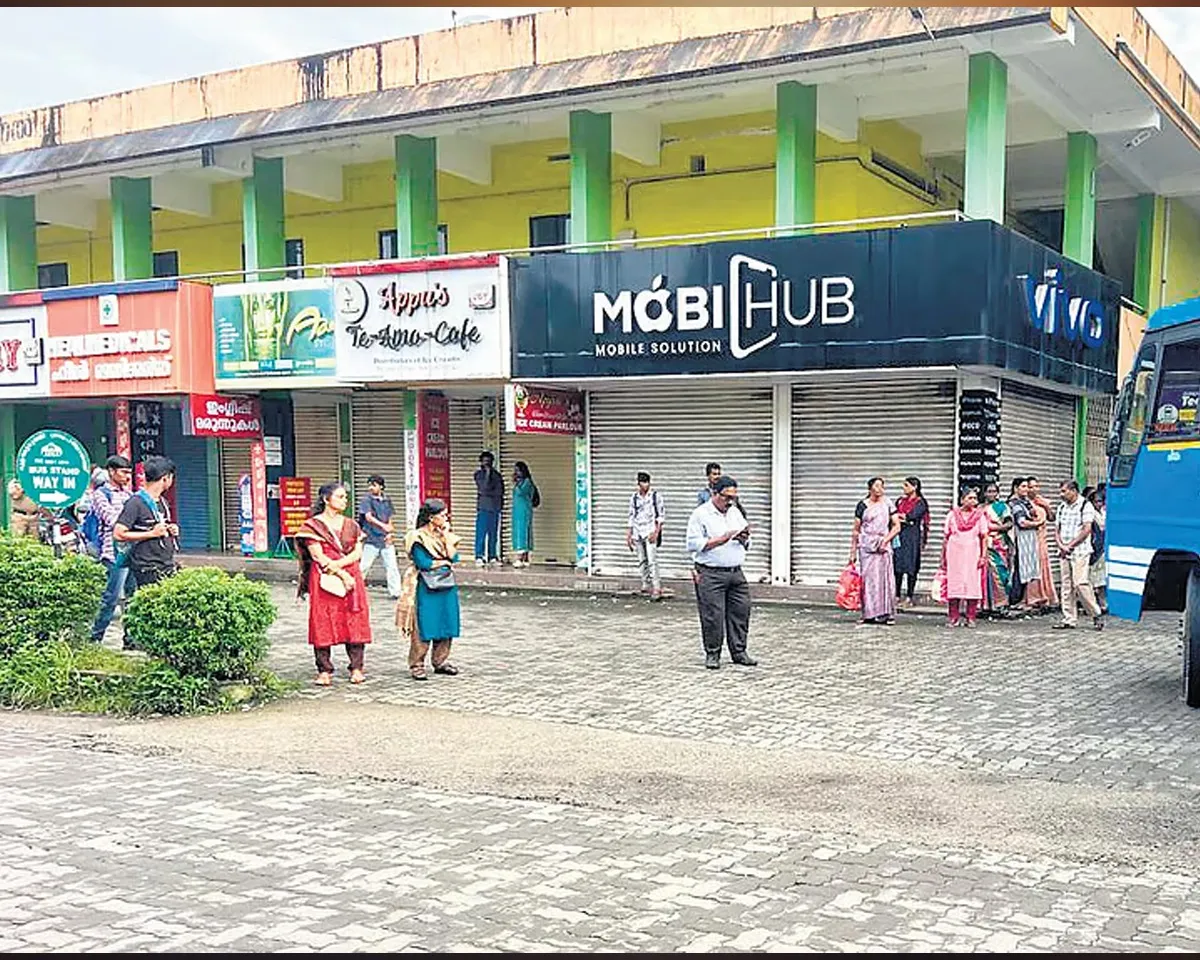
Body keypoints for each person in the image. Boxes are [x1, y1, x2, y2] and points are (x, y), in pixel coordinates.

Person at [295, 482, 373, 686]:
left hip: (350, 573)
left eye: (345, 497)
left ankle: (356, 667)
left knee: (354, 619)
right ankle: (324, 670)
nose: (344, 500)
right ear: (325, 499)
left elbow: (357, 552)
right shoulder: (312, 526)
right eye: (340, 497)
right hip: (324, 578)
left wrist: (342, 568)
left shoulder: (352, 524)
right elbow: (317, 555)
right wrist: (339, 573)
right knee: (323, 620)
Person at [686, 475, 756, 669]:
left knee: (741, 611)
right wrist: (721, 539)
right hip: (710, 573)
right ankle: (713, 653)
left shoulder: (735, 513)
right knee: (712, 615)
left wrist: (743, 538)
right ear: (714, 494)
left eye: (733, 497)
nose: (729, 501)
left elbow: (747, 541)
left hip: (735, 571)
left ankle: (739, 652)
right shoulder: (700, 514)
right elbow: (693, 545)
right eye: (726, 497)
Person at [396, 498, 462, 681]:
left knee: (446, 623)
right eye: (442, 515)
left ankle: (440, 661)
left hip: (446, 585)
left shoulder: (445, 535)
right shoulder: (417, 537)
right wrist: (444, 562)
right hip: (426, 585)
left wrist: (446, 536)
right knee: (424, 625)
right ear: (432, 517)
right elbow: (424, 563)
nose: (446, 517)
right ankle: (417, 664)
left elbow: (454, 558)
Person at [89, 455, 135, 644]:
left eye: (129, 473)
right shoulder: (101, 494)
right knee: (112, 597)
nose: (127, 477)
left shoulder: (129, 495)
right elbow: (113, 521)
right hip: (113, 552)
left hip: (132, 551)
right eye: (123, 472)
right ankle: (96, 637)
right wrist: (130, 521)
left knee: (133, 597)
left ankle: (131, 639)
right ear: (111, 472)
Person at [849, 477, 903, 626]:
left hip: (883, 546)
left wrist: (886, 540)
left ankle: (887, 614)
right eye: (877, 486)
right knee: (868, 581)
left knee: (886, 580)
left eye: (882, 486)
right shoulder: (862, 505)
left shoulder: (888, 504)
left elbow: (897, 526)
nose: (880, 489)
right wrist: (852, 552)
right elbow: (856, 530)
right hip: (867, 546)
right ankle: (868, 614)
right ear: (870, 488)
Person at [1054, 479, 1104, 631]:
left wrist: (1070, 545)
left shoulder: (1085, 505)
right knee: (1066, 585)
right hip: (1064, 552)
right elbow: (1057, 529)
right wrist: (1061, 545)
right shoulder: (1062, 507)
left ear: (1074, 490)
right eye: (1061, 491)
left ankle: (1095, 613)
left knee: (1080, 583)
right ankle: (1069, 618)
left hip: (1080, 551)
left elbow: (1086, 529)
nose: (1061, 494)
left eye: (1064, 491)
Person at [941, 485, 990, 628]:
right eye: (970, 498)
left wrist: (983, 556)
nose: (973, 501)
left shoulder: (980, 516)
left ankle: (971, 617)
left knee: (972, 585)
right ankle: (953, 617)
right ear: (962, 500)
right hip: (954, 553)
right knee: (954, 584)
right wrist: (943, 558)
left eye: (975, 498)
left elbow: (984, 537)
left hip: (972, 554)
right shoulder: (952, 515)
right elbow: (946, 537)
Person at [357, 474, 402, 600]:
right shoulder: (367, 500)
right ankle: (355, 590)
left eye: (374, 485)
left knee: (392, 566)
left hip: (385, 539)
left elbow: (390, 519)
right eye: (370, 485)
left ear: (381, 487)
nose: (371, 488)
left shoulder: (387, 501)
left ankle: (395, 592)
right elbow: (368, 517)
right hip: (371, 538)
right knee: (364, 566)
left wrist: (389, 533)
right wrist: (383, 526)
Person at [626, 471, 665, 600]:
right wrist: (629, 534)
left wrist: (656, 532)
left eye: (647, 482)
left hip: (650, 531)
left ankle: (656, 587)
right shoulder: (634, 498)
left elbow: (660, 516)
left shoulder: (655, 497)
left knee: (652, 560)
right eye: (643, 482)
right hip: (638, 531)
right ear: (638, 483)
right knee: (642, 560)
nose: (645, 485)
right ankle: (645, 584)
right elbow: (631, 516)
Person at [893, 476, 929, 608]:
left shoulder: (920, 502)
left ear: (915, 487)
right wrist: (902, 518)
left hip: (912, 538)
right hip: (899, 535)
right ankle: (896, 595)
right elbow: (894, 515)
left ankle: (909, 596)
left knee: (911, 567)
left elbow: (912, 516)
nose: (904, 488)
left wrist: (903, 517)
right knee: (897, 566)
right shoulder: (900, 501)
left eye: (906, 485)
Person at [980, 481, 1014, 618]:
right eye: (989, 491)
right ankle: (986, 605)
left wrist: (993, 528)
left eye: (994, 491)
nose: (992, 494)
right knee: (984, 575)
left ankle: (1002, 605)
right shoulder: (979, 508)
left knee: (1000, 573)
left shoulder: (1002, 507)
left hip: (998, 545)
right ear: (984, 493)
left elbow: (1009, 524)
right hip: (983, 545)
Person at [1025, 476, 1059, 613]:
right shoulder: (1024, 503)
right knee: (1032, 567)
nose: (1033, 489)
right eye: (1030, 487)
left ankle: (1045, 595)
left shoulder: (1042, 501)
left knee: (1043, 567)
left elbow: (1052, 518)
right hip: (1031, 538)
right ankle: (1032, 597)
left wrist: (1045, 506)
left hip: (1042, 538)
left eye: (1035, 486)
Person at [1006, 477, 1041, 612]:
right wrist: (1037, 524)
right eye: (1023, 486)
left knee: (1027, 569)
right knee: (1020, 570)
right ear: (1015, 488)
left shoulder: (1025, 502)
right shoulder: (1014, 503)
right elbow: (1021, 522)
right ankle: (1015, 599)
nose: (1026, 490)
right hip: (1020, 540)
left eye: (1027, 487)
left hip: (1029, 540)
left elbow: (1032, 515)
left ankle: (1023, 599)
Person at [473, 452, 504, 567]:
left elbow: (500, 492)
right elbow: (484, 489)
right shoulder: (478, 475)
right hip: (483, 508)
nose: (487, 464)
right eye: (485, 461)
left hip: (495, 507)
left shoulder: (497, 475)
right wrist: (487, 473)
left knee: (493, 534)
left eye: (489, 461)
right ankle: (479, 556)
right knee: (481, 533)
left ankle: (492, 556)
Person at [1086, 484, 1108, 614]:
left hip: (1103, 547)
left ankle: (1102, 603)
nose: (1098, 504)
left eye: (1100, 501)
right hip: (1093, 547)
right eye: (1096, 501)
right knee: (1091, 578)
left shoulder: (1104, 513)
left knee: (1101, 579)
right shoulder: (1090, 514)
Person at [511, 460, 536, 568]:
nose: (516, 473)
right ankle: (525, 558)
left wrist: (515, 483)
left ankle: (520, 558)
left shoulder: (527, 482)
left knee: (522, 532)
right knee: (521, 531)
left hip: (523, 511)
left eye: (518, 470)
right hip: (518, 511)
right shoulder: (522, 482)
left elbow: (520, 492)